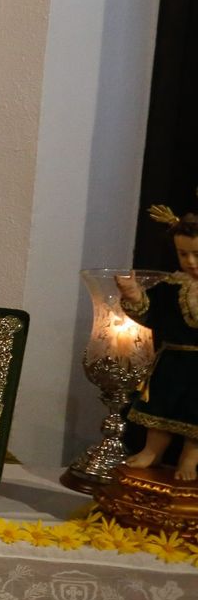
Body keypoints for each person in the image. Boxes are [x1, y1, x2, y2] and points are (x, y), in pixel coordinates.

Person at [121, 200, 198, 479]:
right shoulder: (172, 286)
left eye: (197, 255)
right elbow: (151, 313)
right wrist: (134, 296)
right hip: (173, 361)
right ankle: (152, 451)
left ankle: (189, 461)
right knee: (160, 411)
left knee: (195, 417)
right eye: (183, 254)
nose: (190, 262)